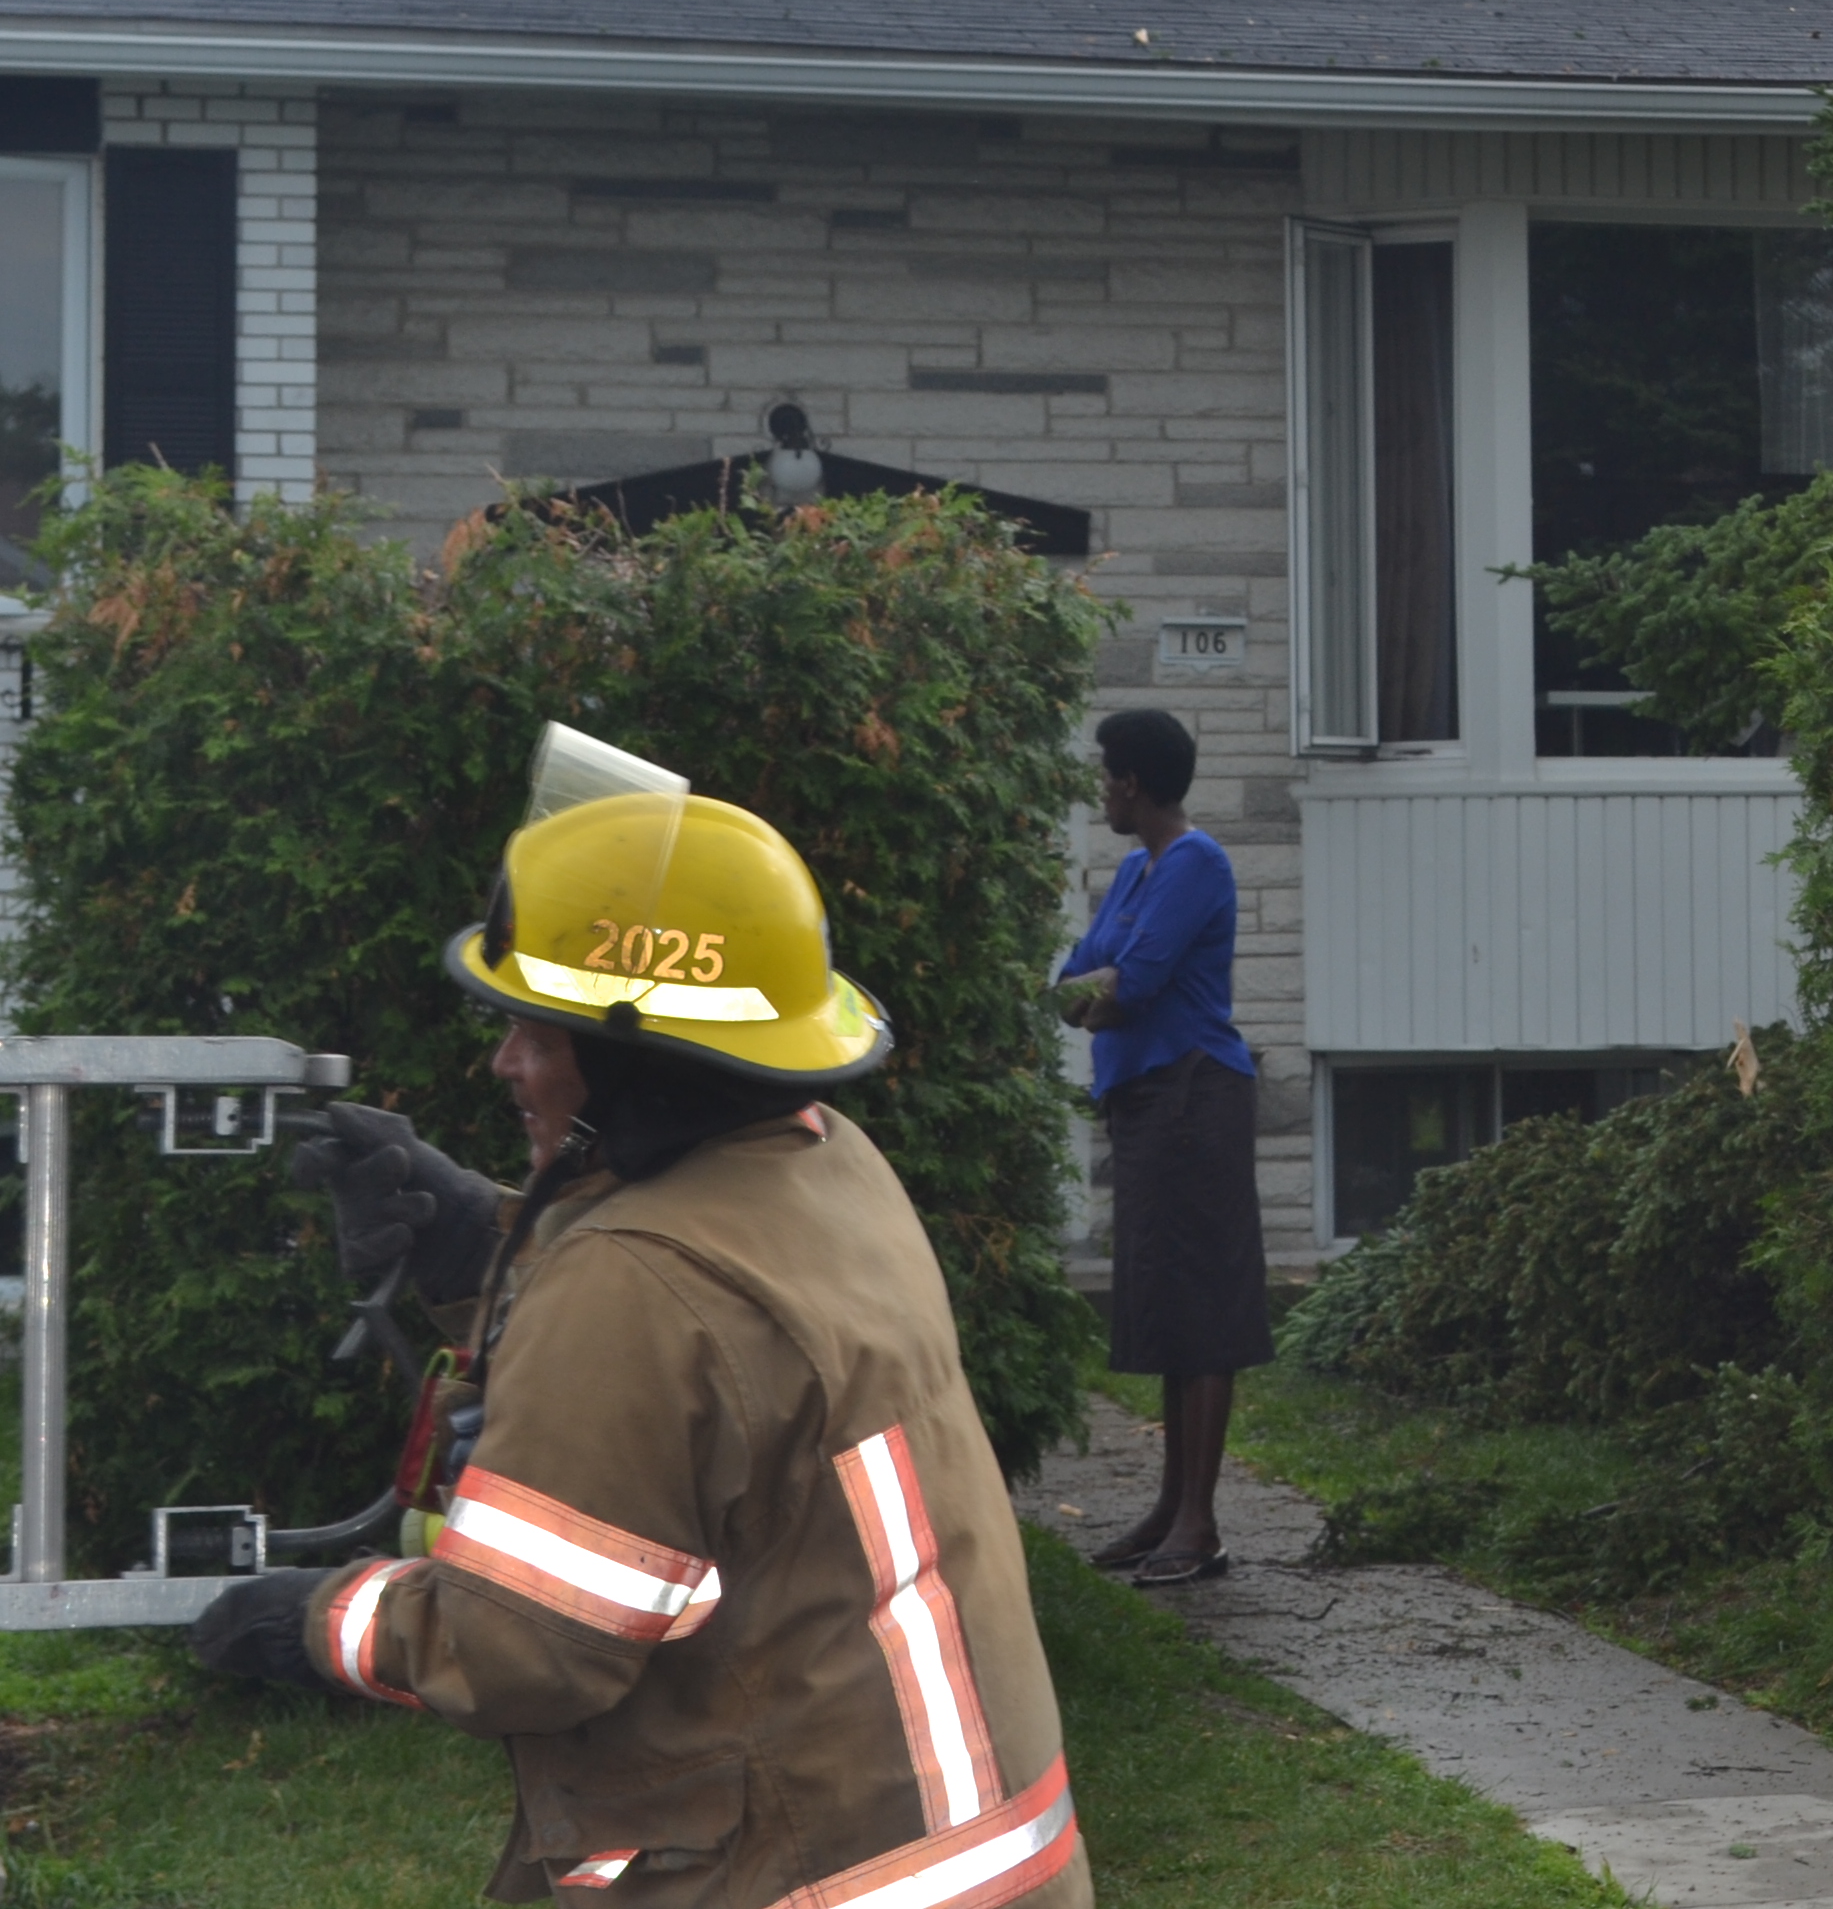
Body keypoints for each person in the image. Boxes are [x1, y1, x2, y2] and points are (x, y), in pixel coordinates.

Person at [190, 723, 1092, 1909]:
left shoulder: (636, 1286)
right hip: (958, 1855)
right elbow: (706, 1361)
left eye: (537, 1033)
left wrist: (318, 1623)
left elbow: (519, 1646)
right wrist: (477, 1243)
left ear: (641, 1063)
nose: (505, 1064)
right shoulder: (823, 1162)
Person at [1058, 706, 1267, 1584]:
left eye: (1105, 772)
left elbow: (1131, 984)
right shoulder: (1135, 871)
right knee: (1165, 1306)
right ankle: (1171, 1505)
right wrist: (1095, 992)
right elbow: (1075, 976)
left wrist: (1099, 993)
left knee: (1202, 1307)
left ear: (1132, 782)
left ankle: (1199, 1524)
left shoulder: (1195, 862)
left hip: (1193, 1097)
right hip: (1147, 1102)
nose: (1100, 788)